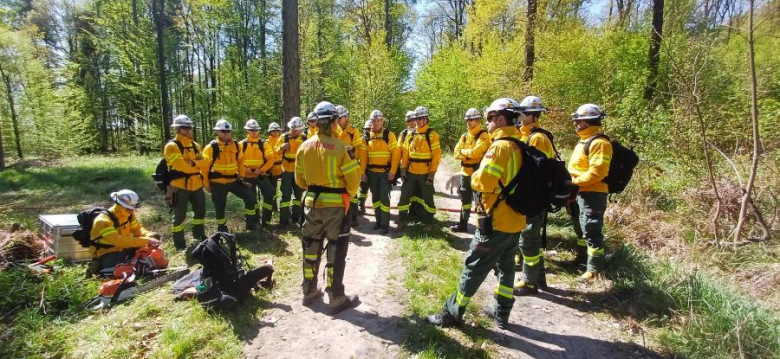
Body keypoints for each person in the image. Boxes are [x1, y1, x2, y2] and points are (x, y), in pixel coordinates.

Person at [426, 98, 526, 329]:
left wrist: (470, 176)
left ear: (501, 119)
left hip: (496, 220)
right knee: (506, 268)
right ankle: (502, 314)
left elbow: (484, 181)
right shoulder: (521, 144)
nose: (487, 122)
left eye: (490, 117)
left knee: (474, 266)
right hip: (515, 220)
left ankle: (451, 313)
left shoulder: (500, 147)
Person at [295, 101, 362, 314]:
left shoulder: (303, 147)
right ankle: (335, 297)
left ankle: (309, 290)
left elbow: (300, 180)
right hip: (335, 208)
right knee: (336, 251)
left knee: (311, 247)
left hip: (311, 204)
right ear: (333, 122)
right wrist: (346, 196)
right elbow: (353, 182)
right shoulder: (342, 148)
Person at [513, 96, 556, 295]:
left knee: (528, 240)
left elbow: (536, 172)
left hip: (534, 197)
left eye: (523, 114)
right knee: (528, 239)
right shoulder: (526, 134)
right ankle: (538, 278)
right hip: (530, 195)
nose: (520, 117)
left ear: (533, 115)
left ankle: (530, 282)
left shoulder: (537, 138)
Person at [568, 103, 613, 281]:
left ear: (590, 121)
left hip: (593, 194)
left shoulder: (600, 143)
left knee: (592, 230)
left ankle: (595, 271)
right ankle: (581, 260)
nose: (575, 124)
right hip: (581, 192)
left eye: (579, 121)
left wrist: (573, 183)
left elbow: (598, 172)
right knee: (582, 228)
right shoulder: (585, 141)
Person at [201, 119, 258, 232]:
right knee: (220, 206)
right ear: (217, 132)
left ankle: (251, 224)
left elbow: (240, 162)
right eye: (223, 131)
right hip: (217, 182)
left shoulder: (236, 146)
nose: (227, 134)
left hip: (233, 180)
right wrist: (206, 184)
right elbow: (204, 168)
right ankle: (222, 229)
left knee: (250, 196)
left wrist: (242, 178)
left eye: (228, 131)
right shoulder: (211, 148)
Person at [164, 114, 208, 250]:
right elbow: (182, 166)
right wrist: (196, 164)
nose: (188, 130)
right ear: (177, 128)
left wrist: (193, 162)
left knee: (200, 213)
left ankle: (199, 237)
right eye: (185, 128)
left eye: (189, 127)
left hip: (197, 185)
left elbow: (207, 163)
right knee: (179, 217)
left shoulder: (195, 145)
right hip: (179, 186)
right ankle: (179, 244)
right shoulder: (171, 146)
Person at [90, 190, 160, 271]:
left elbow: (138, 229)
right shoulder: (103, 221)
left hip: (124, 248)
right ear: (121, 205)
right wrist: (146, 240)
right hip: (107, 252)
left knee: (150, 248)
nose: (132, 211)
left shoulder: (129, 215)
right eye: (129, 209)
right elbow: (118, 241)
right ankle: (99, 266)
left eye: (132, 208)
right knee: (123, 270)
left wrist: (149, 236)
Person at [396, 106, 441, 230]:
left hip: (425, 173)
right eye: (417, 119)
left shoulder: (432, 135)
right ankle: (402, 220)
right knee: (404, 196)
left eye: (422, 118)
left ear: (426, 119)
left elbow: (436, 156)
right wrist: (403, 170)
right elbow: (405, 153)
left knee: (428, 198)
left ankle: (428, 222)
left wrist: (432, 174)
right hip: (410, 172)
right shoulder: (410, 134)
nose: (419, 121)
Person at [450, 108, 491, 233]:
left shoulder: (484, 135)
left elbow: (476, 153)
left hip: (477, 173)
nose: (468, 122)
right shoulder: (464, 136)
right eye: (467, 120)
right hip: (464, 172)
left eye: (471, 119)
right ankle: (463, 224)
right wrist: (467, 154)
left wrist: (465, 153)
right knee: (465, 200)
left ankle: (481, 228)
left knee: (479, 201)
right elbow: (456, 153)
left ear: (477, 120)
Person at [363, 110, 400, 234]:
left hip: (385, 173)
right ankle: (378, 222)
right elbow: (363, 157)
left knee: (384, 198)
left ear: (382, 121)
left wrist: (393, 172)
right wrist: (363, 172)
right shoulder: (367, 136)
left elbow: (395, 155)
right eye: (373, 120)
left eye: (378, 120)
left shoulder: (389, 135)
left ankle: (385, 224)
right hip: (372, 173)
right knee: (375, 198)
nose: (375, 123)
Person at [239, 119, 276, 227]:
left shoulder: (263, 144)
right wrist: (245, 170)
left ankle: (266, 219)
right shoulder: (241, 144)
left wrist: (261, 170)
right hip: (247, 176)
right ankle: (252, 222)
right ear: (247, 131)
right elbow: (237, 160)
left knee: (270, 193)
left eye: (256, 130)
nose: (254, 132)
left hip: (260, 175)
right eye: (251, 130)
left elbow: (271, 159)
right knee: (250, 199)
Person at [335, 105, 367, 226]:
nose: (338, 120)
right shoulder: (333, 130)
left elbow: (359, 149)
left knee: (352, 192)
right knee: (338, 192)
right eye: (337, 118)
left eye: (340, 117)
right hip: (336, 166)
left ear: (346, 117)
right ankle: (340, 218)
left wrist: (351, 153)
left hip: (350, 165)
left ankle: (353, 218)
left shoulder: (354, 131)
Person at [275, 117, 307, 226]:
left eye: (297, 129)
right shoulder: (284, 137)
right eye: (293, 129)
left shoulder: (304, 139)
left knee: (298, 196)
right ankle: (284, 220)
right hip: (286, 171)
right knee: (286, 196)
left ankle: (296, 218)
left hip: (299, 172)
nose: (295, 131)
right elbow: (275, 152)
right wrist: (281, 148)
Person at [398, 111, 425, 218]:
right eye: (410, 120)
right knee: (408, 191)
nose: (413, 122)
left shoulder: (423, 132)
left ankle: (418, 210)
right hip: (408, 167)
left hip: (421, 168)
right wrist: (401, 168)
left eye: (414, 119)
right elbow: (399, 149)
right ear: (407, 122)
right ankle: (408, 213)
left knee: (419, 191)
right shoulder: (404, 134)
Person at [266, 122, 284, 216]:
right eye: (273, 131)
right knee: (272, 189)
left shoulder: (282, 140)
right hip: (271, 169)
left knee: (284, 189)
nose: (275, 132)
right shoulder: (267, 142)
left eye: (277, 130)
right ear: (270, 132)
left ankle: (283, 208)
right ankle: (274, 207)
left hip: (282, 168)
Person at [357, 119, 373, 214]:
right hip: (364, 169)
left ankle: (379, 211)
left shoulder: (379, 139)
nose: (367, 131)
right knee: (363, 189)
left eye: (369, 129)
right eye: (366, 129)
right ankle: (361, 205)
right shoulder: (361, 140)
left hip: (375, 169)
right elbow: (357, 155)